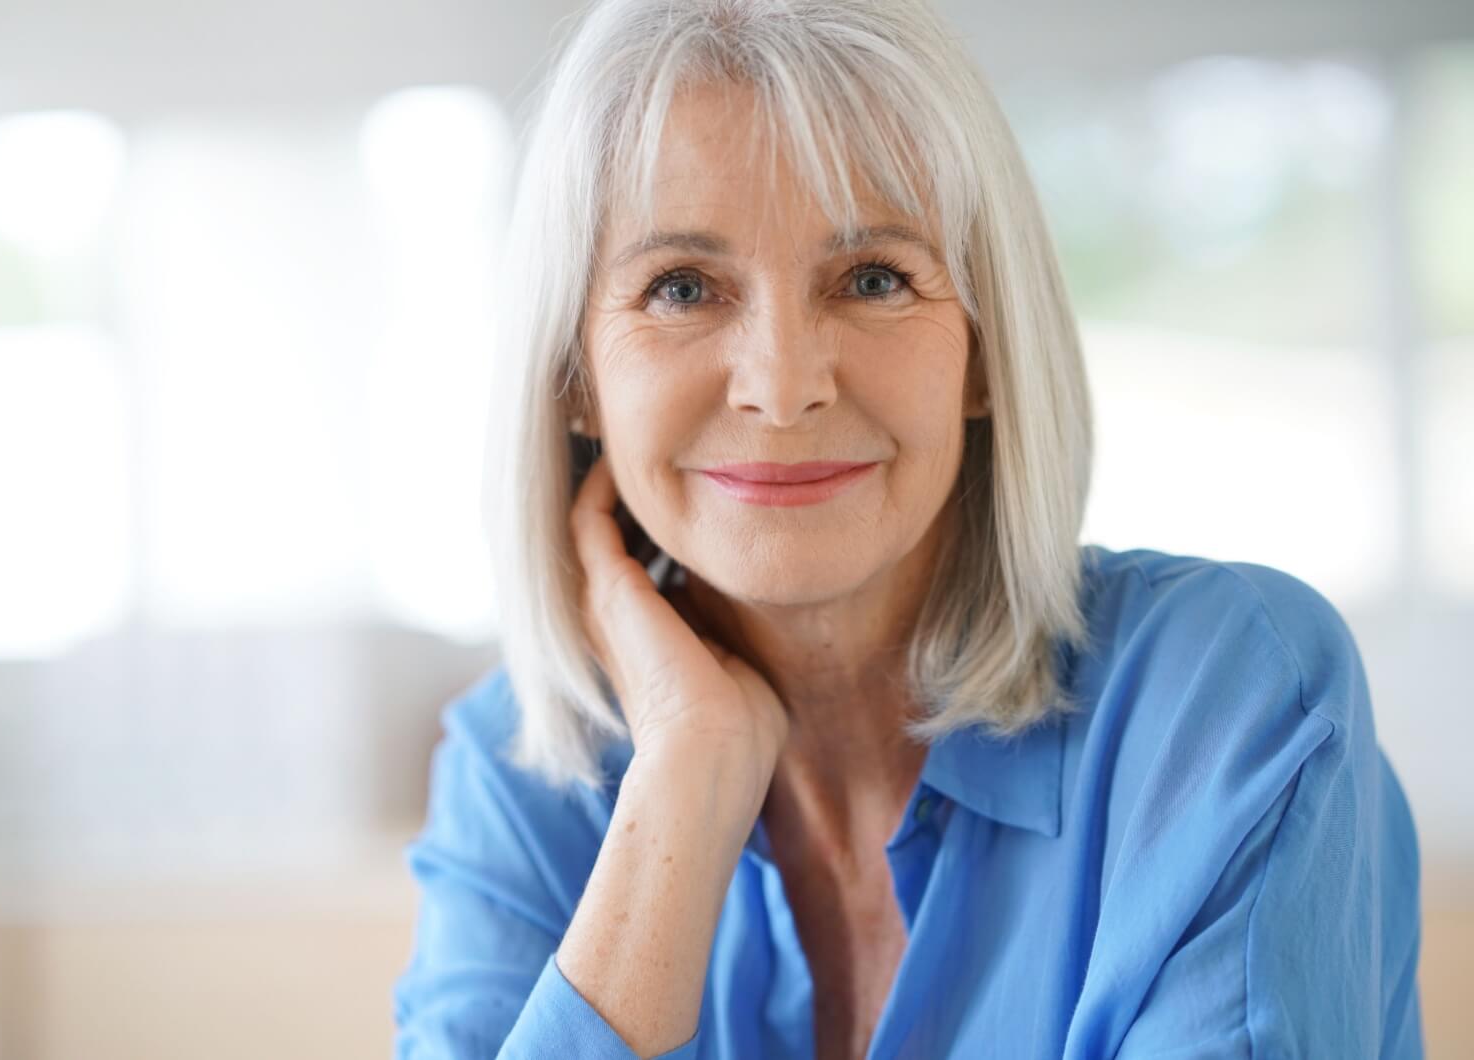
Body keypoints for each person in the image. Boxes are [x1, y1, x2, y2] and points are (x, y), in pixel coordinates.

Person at [391, 0, 1425, 1056]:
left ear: (983, 350)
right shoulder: (519, 775)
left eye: (874, 278)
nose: (783, 385)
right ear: (575, 380)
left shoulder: (1222, 698)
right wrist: (688, 772)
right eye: (682, 286)